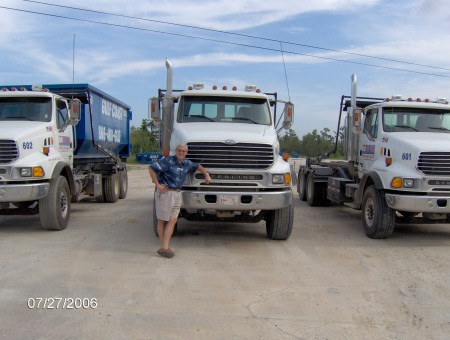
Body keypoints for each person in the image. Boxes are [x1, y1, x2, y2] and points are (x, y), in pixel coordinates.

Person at [148, 144, 211, 258]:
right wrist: (157, 184)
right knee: (162, 220)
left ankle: (164, 247)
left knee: (172, 220)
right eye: (179, 150)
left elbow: (197, 166)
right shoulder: (168, 161)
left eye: (183, 151)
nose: (181, 152)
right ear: (175, 151)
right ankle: (165, 247)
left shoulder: (187, 163)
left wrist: (206, 174)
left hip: (177, 193)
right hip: (166, 193)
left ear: (186, 153)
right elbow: (151, 168)